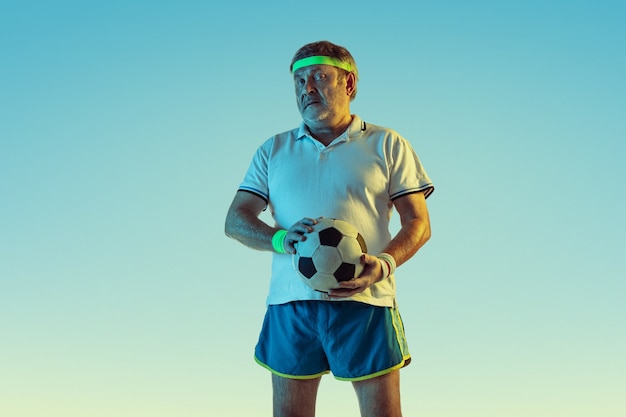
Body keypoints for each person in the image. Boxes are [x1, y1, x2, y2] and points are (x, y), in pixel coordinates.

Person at [224, 40, 434, 417]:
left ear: (349, 84)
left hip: (366, 301)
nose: (308, 89)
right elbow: (235, 220)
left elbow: (418, 222)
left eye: (319, 77)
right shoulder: (273, 150)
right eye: (300, 81)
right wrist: (280, 238)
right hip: (290, 304)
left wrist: (383, 264)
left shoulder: (387, 143)